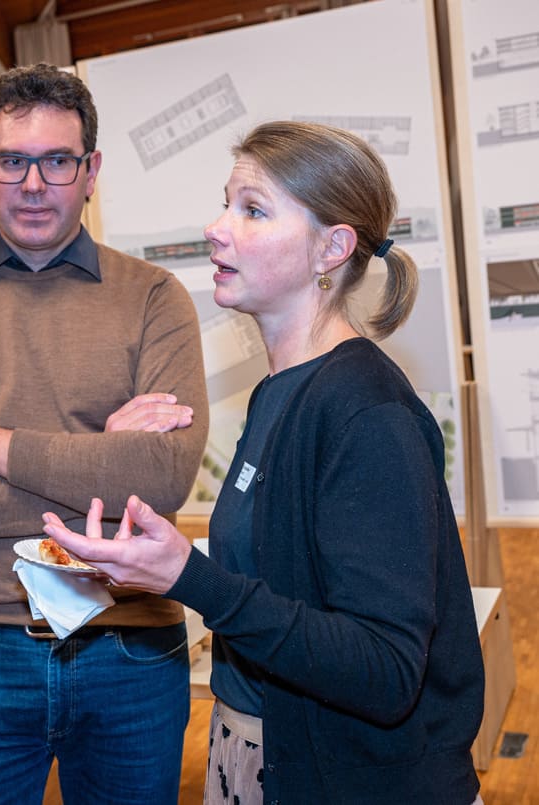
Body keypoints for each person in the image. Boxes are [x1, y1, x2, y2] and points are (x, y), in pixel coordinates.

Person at [43, 120, 485, 805]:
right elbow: (288, 585)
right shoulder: (279, 392)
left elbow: (385, 669)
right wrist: (150, 565)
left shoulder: (366, 413)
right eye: (226, 204)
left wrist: (189, 578)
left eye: (252, 210)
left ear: (331, 249)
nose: (217, 228)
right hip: (262, 751)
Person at [0, 63, 209, 803]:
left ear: (91, 171)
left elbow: (162, 478)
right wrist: (103, 463)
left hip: (131, 647)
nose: (33, 183)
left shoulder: (155, 298)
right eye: (12, 161)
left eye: (57, 160)